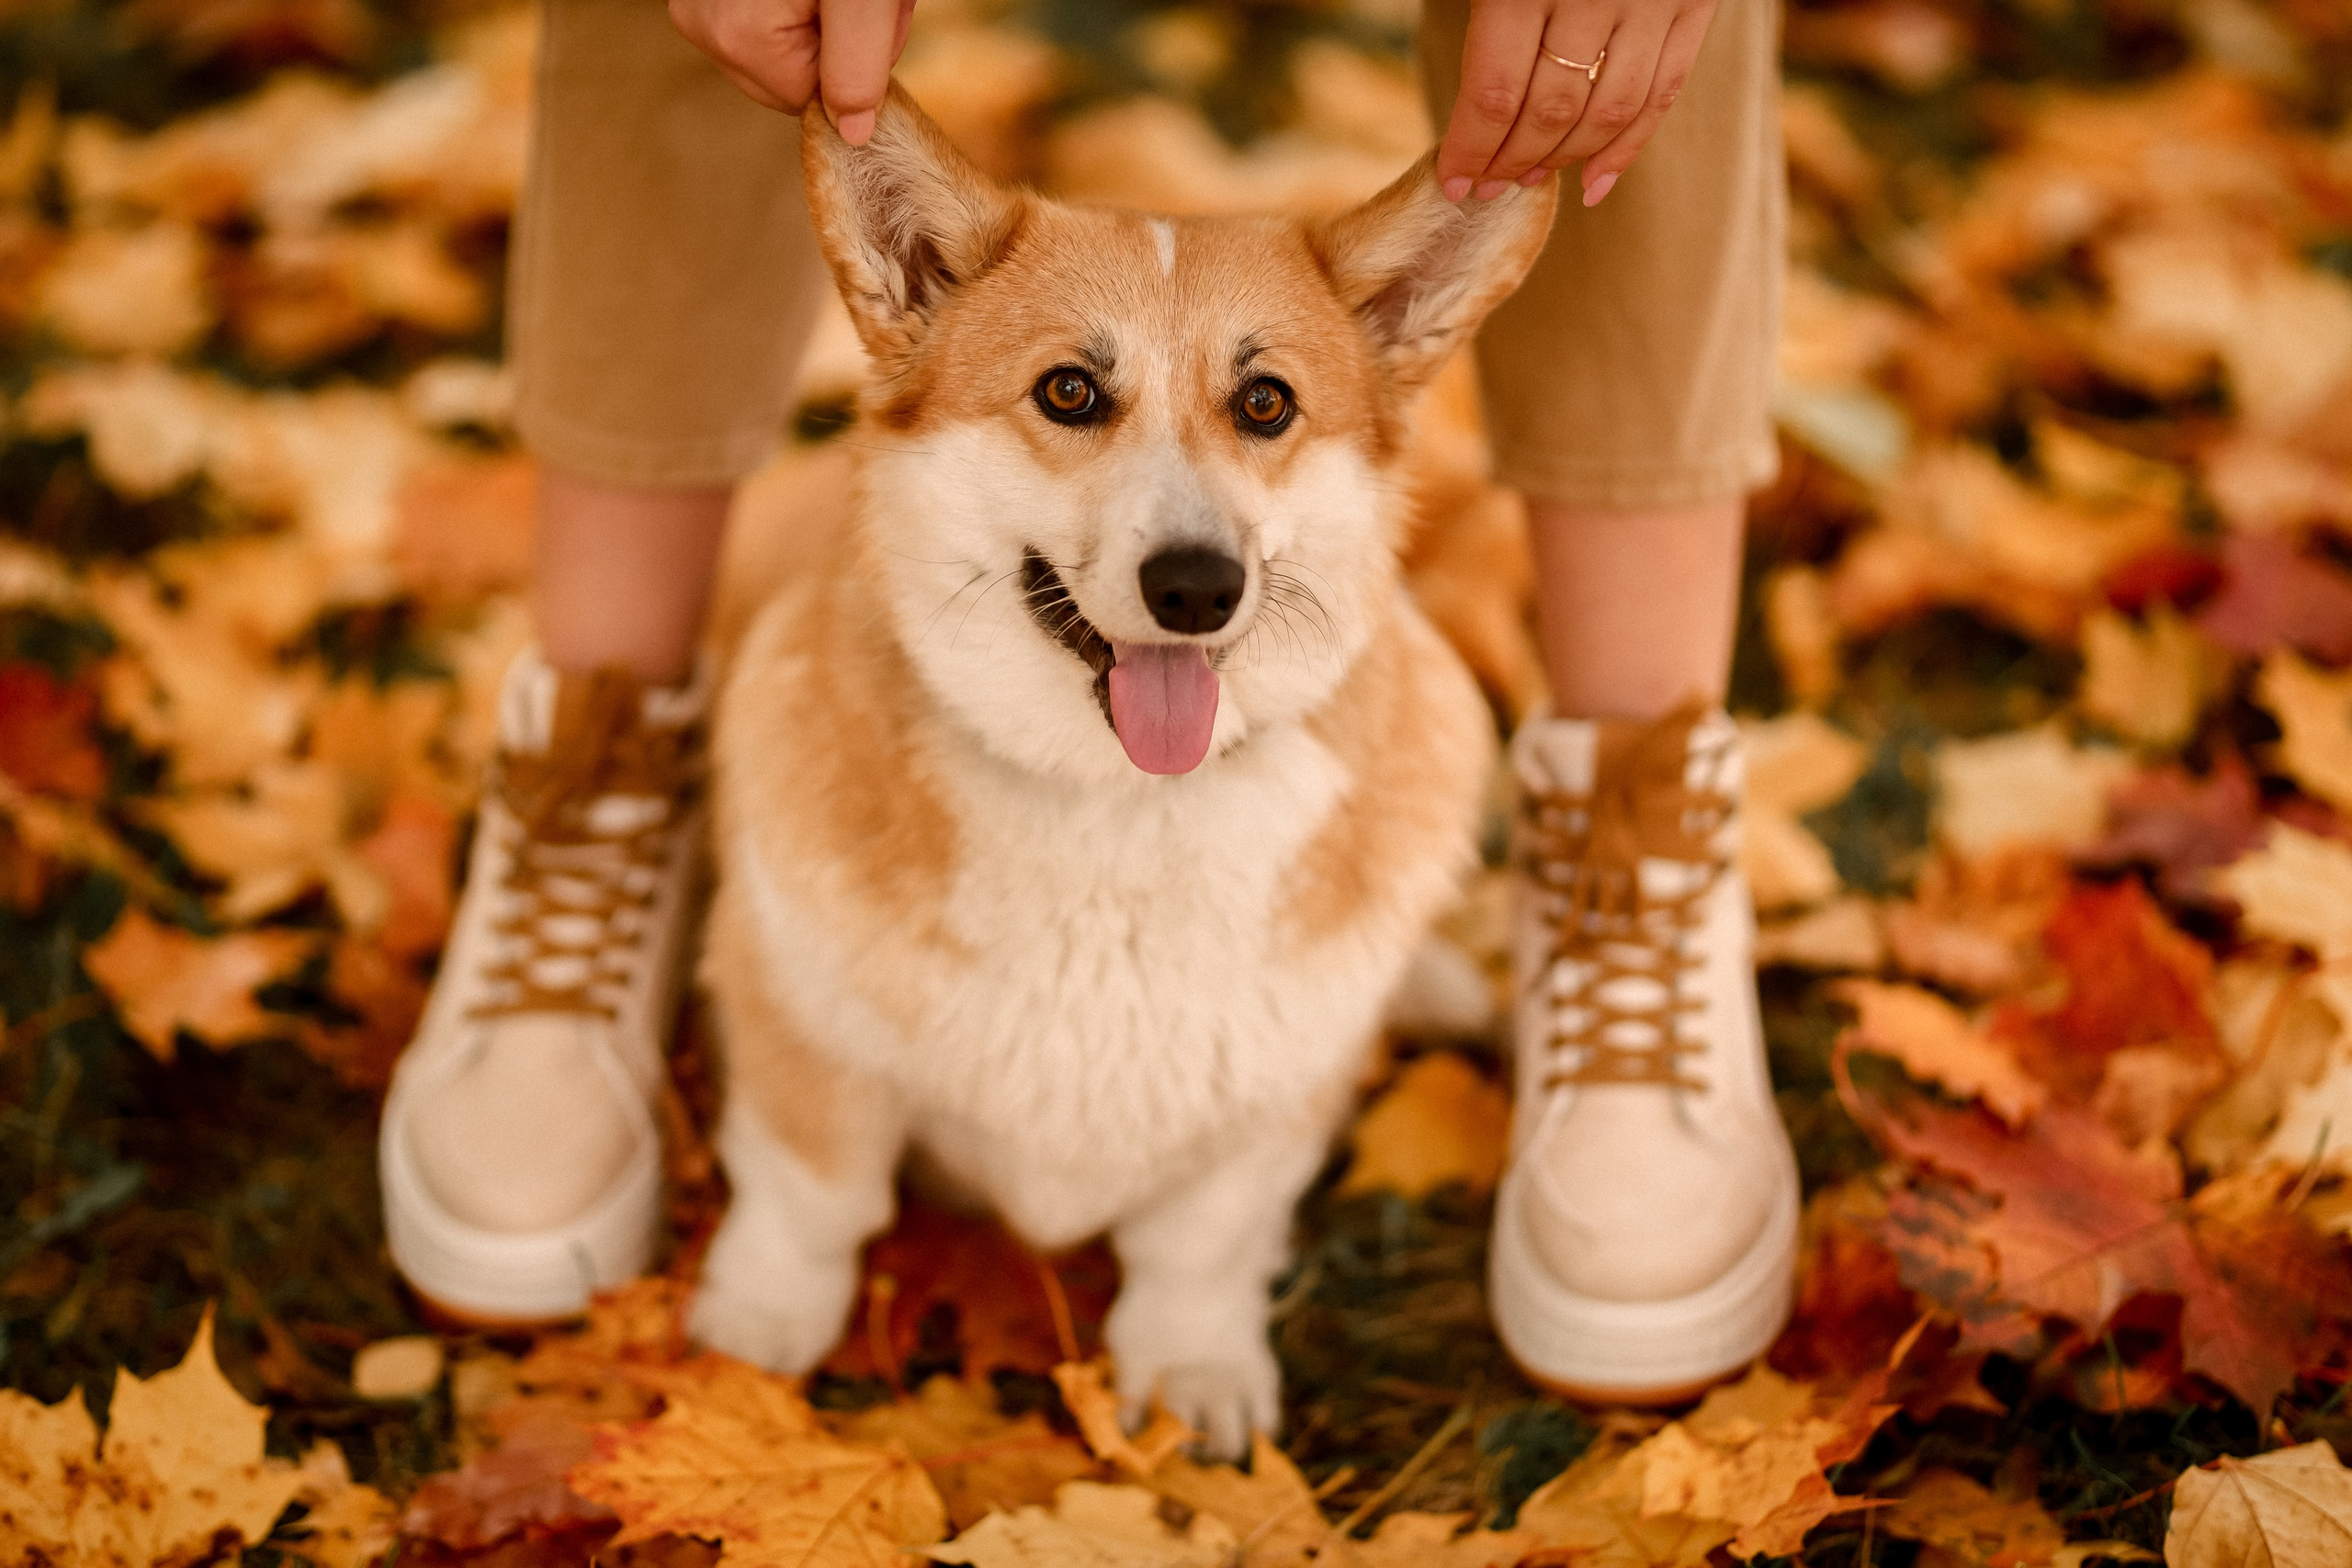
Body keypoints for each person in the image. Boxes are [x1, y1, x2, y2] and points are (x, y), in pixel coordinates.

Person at [376, 0, 1800, 1400]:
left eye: (1263, 411)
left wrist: (1199, 1301)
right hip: (885, 767)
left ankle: (1636, 828)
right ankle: (610, 768)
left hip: (1314, 829)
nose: (1196, 545)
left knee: (1603, 39)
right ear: (908, 277)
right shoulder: (841, 663)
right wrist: (794, 1241)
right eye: (1071, 397)